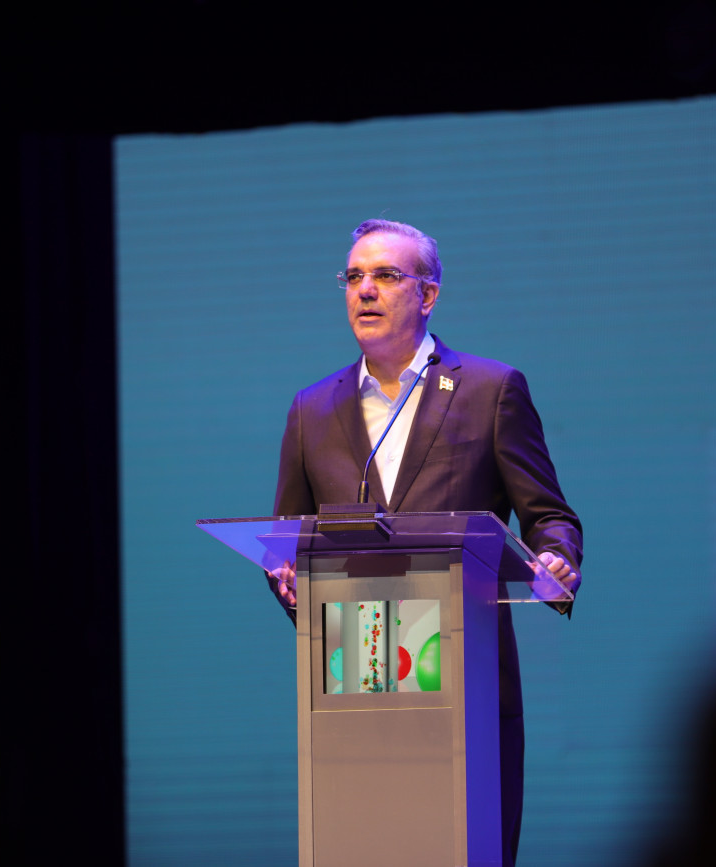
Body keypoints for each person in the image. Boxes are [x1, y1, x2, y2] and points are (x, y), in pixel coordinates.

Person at [267, 218, 583, 864]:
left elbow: (550, 515)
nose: (365, 290)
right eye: (354, 276)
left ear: (428, 294)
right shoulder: (312, 410)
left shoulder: (489, 391)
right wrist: (287, 577)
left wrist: (556, 556)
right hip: (355, 680)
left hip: (465, 686)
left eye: (386, 275)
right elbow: (285, 540)